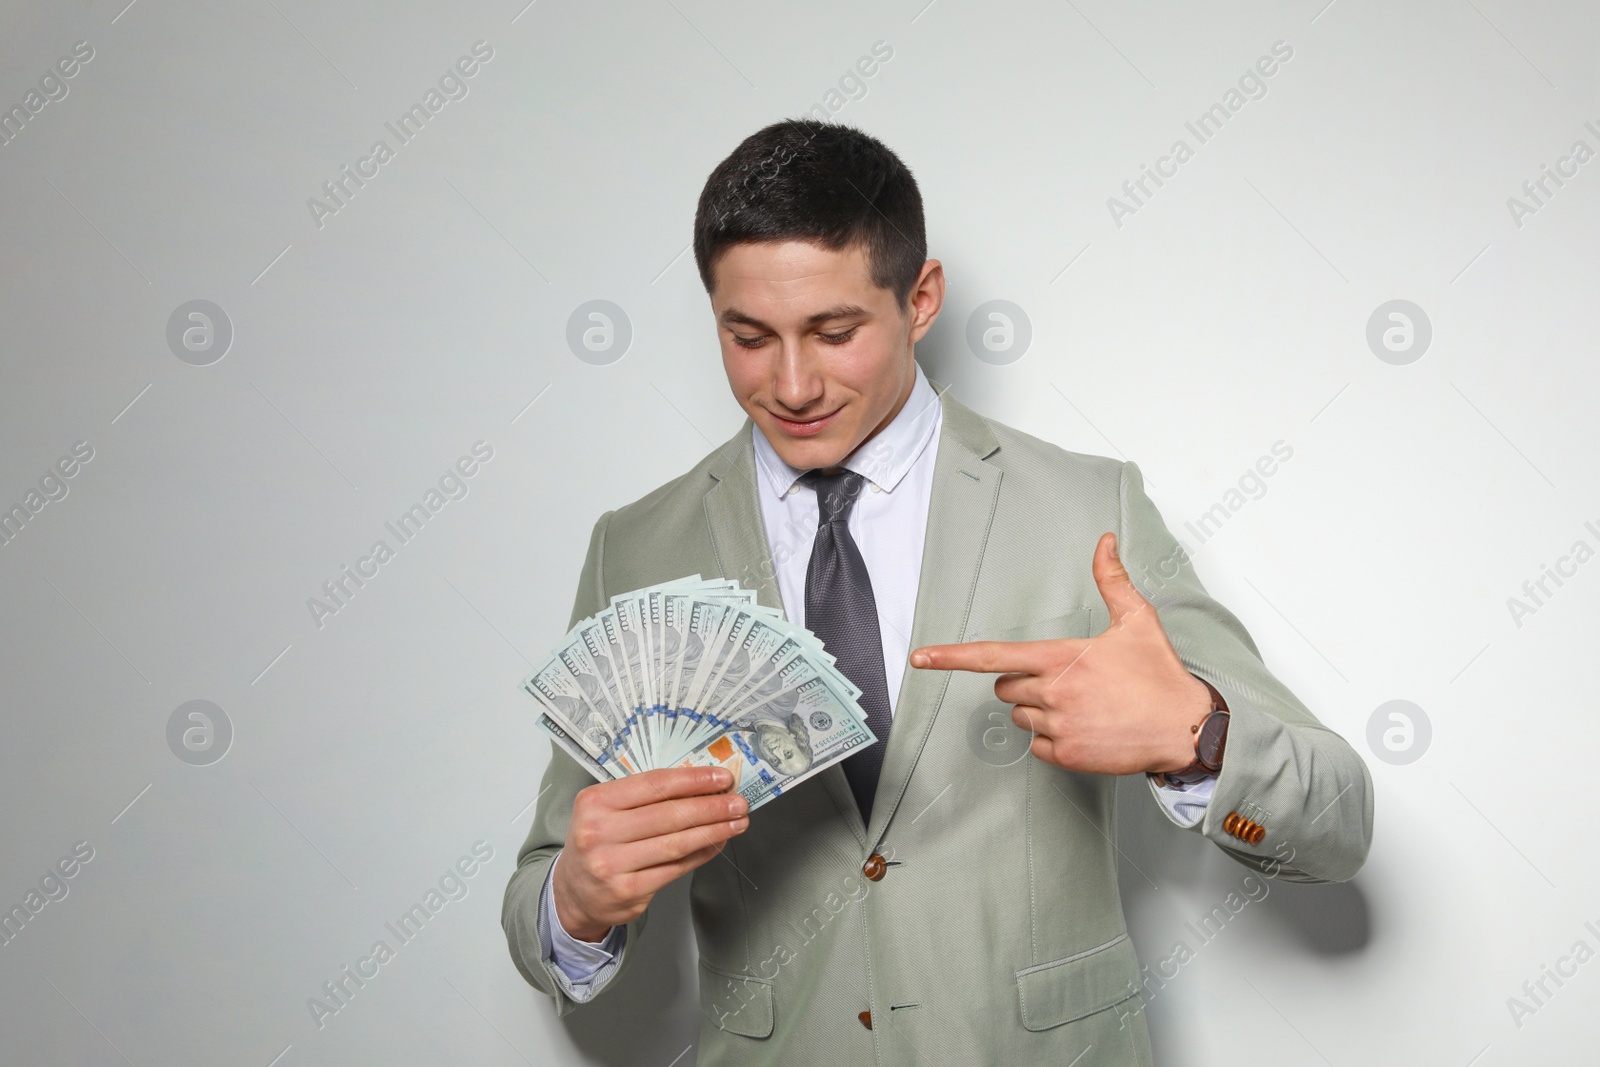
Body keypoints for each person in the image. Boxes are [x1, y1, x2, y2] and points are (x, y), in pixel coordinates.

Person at [502, 119, 1374, 1065]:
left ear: (921, 299)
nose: (791, 384)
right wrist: (575, 906)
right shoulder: (634, 548)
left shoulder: (1089, 507)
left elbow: (1336, 827)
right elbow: (541, 899)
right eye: (748, 337)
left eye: (834, 332)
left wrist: (1196, 735)